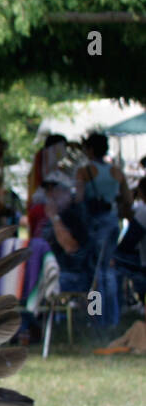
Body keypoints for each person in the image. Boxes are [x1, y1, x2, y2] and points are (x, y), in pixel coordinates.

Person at [74, 132, 130, 331]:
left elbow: (79, 200)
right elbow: (127, 201)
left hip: (95, 224)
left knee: (96, 273)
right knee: (109, 270)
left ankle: (97, 318)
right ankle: (112, 318)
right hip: (113, 222)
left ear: (89, 149)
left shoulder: (85, 171)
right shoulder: (117, 172)